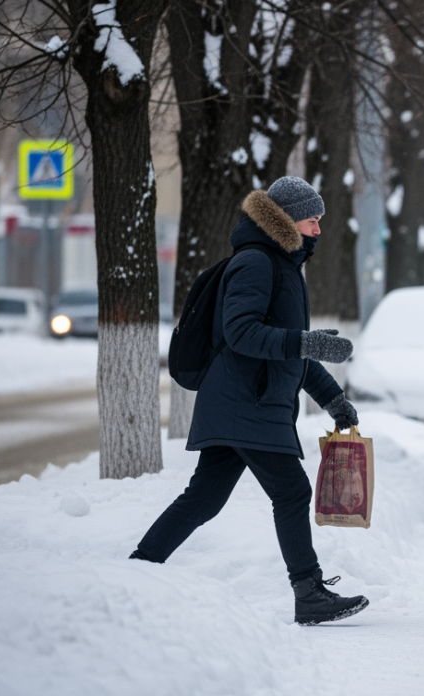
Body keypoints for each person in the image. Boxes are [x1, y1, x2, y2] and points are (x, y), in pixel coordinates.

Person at [130, 176, 368, 626]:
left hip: (245, 400)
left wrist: (333, 398)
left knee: (203, 499)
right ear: (286, 219)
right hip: (246, 401)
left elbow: (287, 354)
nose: (318, 229)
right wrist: (306, 343)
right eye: (312, 220)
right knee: (292, 492)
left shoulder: (282, 267)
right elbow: (242, 334)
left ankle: (137, 569)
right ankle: (309, 592)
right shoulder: (256, 263)